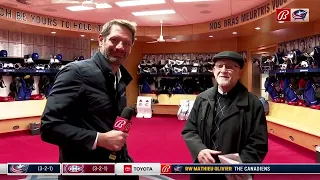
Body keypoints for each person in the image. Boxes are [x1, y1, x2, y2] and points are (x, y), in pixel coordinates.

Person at [40, 19, 138, 180]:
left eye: (127, 43)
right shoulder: (75, 72)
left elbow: (111, 128)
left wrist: (125, 161)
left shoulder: (120, 78)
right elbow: (49, 127)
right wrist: (99, 139)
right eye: (114, 40)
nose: (120, 47)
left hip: (114, 168)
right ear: (101, 40)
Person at [181, 51, 268, 180]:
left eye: (230, 66)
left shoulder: (253, 104)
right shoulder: (202, 99)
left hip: (234, 175)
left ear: (240, 73)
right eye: (219, 66)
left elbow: (258, 143)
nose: (223, 70)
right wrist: (199, 150)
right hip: (203, 171)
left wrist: (241, 165)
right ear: (214, 71)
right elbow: (190, 130)